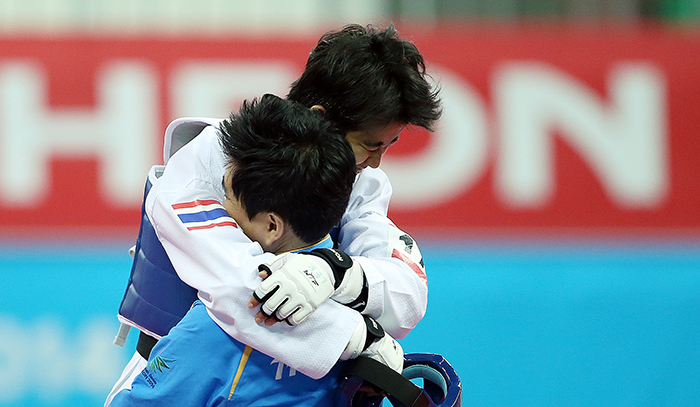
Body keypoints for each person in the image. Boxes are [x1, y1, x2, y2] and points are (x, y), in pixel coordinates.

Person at [107, 22, 441, 404]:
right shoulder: (209, 166)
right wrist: (361, 338)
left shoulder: (364, 182)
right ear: (322, 117)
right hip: (184, 377)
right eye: (369, 144)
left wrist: (335, 272)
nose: (377, 161)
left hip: (299, 388)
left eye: (389, 144)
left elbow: (407, 295)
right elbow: (241, 292)